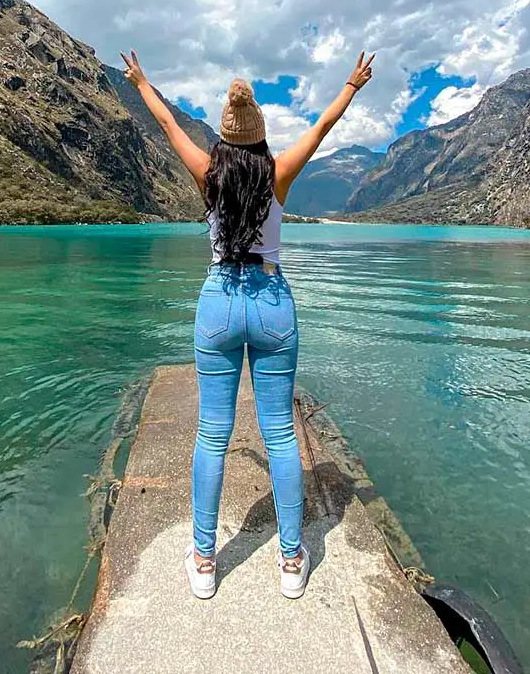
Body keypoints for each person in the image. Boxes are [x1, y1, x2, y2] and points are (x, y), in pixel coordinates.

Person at [120, 49, 375, 600]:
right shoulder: (278, 174)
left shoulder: (208, 175)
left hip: (219, 300)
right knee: (279, 432)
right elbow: (322, 126)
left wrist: (140, 81)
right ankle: (292, 560)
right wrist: (352, 85)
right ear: (259, 138)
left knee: (212, 434)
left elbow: (166, 124)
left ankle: (204, 561)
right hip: (272, 300)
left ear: (222, 139)